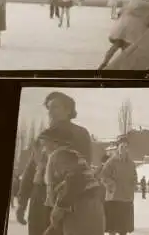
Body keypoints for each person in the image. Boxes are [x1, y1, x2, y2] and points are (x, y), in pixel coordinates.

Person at [16, 92, 92, 235]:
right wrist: (22, 201)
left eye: (55, 107)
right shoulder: (43, 136)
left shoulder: (79, 134)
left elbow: (81, 171)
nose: (50, 112)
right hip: (38, 198)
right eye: (49, 108)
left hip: (63, 198)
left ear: (68, 110)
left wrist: (63, 204)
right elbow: (31, 168)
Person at [40, 127, 104, 235]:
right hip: (94, 207)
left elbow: (76, 178)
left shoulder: (58, 155)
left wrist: (59, 208)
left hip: (79, 209)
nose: (44, 148)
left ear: (55, 143)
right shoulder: (75, 156)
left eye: (46, 143)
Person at [98, 0, 149, 70]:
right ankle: (123, 67)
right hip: (132, 31)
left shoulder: (129, 5)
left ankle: (104, 63)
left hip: (121, 28)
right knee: (126, 50)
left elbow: (119, 13)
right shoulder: (147, 7)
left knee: (115, 46)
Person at [100, 136, 137, 235]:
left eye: (126, 147)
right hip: (114, 198)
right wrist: (111, 184)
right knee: (112, 228)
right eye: (121, 147)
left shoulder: (131, 164)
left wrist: (133, 185)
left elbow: (134, 177)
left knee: (123, 229)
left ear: (128, 149)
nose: (123, 149)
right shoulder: (111, 162)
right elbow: (103, 176)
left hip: (126, 199)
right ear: (118, 148)